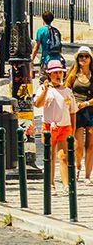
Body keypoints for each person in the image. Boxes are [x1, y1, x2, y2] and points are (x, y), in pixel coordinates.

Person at [37, 59, 77, 190]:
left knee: (63, 156)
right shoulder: (44, 89)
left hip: (64, 126)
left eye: (60, 72)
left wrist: (73, 129)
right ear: (49, 74)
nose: (58, 75)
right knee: (49, 156)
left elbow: (72, 111)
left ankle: (66, 184)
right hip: (49, 126)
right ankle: (51, 183)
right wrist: (45, 89)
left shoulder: (67, 91)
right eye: (54, 73)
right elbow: (37, 103)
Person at [67, 46, 93, 184]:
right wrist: (72, 104)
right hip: (76, 112)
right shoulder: (73, 75)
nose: (83, 59)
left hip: (91, 111)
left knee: (90, 145)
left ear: (90, 59)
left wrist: (87, 103)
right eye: (81, 56)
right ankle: (78, 167)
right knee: (77, 145)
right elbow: (66, 91)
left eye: (86, 56)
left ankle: (88, 176)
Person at [33, 10, 64, 75]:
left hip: (46, 59)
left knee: (44, 81)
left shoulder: (41, 30)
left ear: (43, 19)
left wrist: (31, 59)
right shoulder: (56, 31)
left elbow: (36, 47)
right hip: (57, 60)